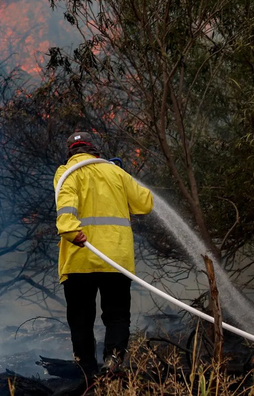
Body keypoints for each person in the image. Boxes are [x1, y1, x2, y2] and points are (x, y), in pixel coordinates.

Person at [54, 132, 153, 379]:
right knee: (117, 316)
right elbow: (145, 203)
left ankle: (87, 371)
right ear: (95, 151)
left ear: (71, 152)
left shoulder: (67, 171)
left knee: (80, 319)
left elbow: (65, 203)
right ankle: (113, 365)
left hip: (80, 257)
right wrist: (120, 175)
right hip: (116, 259)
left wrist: (69, 231)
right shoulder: (115, 172)